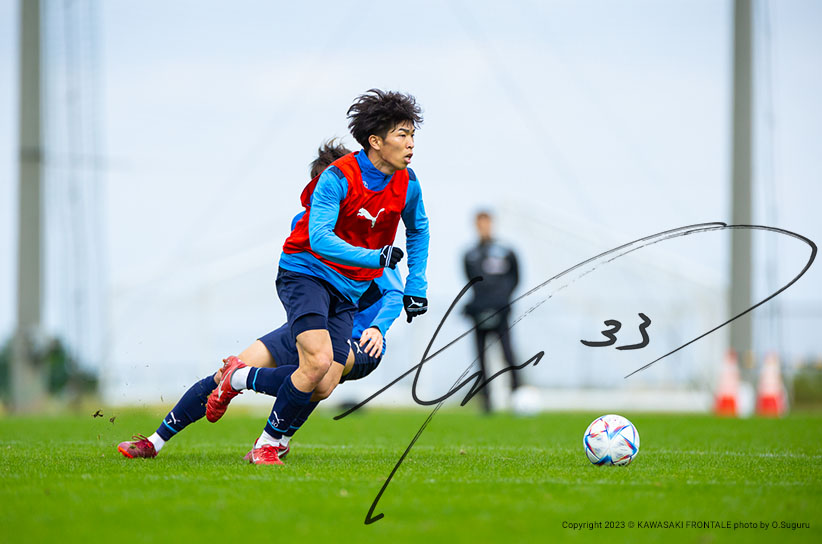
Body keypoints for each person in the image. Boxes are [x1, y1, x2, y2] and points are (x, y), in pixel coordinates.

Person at [117, 141, 402, 460]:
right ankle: (154, 442)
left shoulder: (371, 235)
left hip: (361, 339)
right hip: (311, 325)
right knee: (227, 372)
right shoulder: (306, 225)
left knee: (320, 376)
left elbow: (394, 292)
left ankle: (273, 436)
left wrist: (378, 327)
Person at [206, 89, 430, 465]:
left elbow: (418, 229)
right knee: (318, 361)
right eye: (402, 135)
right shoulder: (337, 177)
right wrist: (375, 257)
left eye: (412, 135)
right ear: (376, 141)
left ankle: (238, 378)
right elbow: (320, 239)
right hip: (305, 272)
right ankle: (266, 445)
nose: (411, 144)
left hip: (347, 287)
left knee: (323, 382)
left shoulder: (408, 182)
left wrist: (416, 284)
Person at [463, 210, 520, 413]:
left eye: (486, 223)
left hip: (501, 311)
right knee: (480, 357)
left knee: (508, 354)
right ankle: (486, 401)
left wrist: (501, 301)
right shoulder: (470, 255)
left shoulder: (506, 252)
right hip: (479, 311)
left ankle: (517, 396)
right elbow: (471, 281)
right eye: (480, 224)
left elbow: (515, 278)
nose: (483, 228)